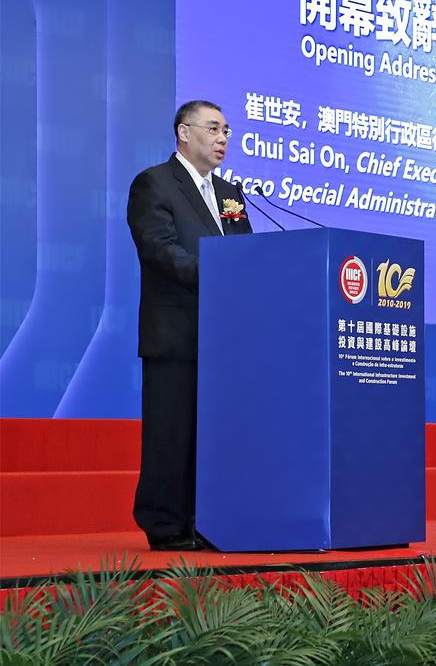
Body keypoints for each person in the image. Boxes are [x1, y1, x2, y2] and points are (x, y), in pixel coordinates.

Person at [127, 100, 252, 551]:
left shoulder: (230, 194)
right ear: (184, 132)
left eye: (226, 131)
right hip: (176, 332)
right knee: (172, 433)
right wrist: (217, 273)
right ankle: (166, 525)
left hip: (224, 336)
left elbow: (245, 254)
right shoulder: (154, 182)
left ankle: (209, 521)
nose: (223, 138)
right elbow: (157, 249)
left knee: (216, 435)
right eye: (213, 128)